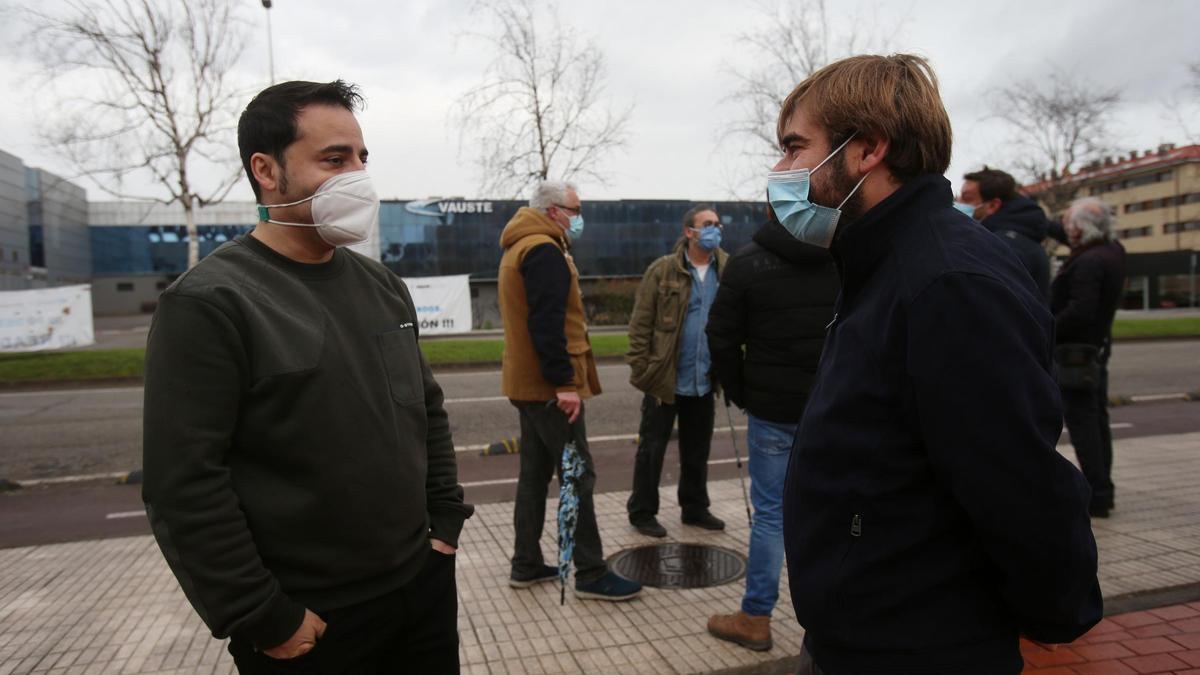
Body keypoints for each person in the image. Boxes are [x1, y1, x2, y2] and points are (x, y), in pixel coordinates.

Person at [773, 55, 1102, 673]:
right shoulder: (882, 261)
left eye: (795, 148)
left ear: (868, 148)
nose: (781, 170)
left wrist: (1055, 609)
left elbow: (1018, 484)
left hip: (916, 648)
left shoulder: (948, 282)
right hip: (865, 635)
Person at [142, 80, 474, 674]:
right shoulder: (211, 302)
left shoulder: (382, 286)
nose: (358, 176)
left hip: (421, 588)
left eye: (361, 157)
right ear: (267, 170)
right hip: (311, 624)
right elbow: (184, 484)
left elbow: (425, 409)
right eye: (334, 159)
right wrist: (260, 615)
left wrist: (444, 523)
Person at [498, 180, 642, 601]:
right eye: (574, 209)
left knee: (534, 475)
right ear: (552, 210)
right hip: (548, 387)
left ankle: (525, 563)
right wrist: (564, 383)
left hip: (526, 383)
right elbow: (547, 324)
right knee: (578, 474)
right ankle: (592, 572)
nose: (579, 217)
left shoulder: (521, 245)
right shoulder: (543, 250)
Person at [704, 212, 839, 651]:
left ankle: (756, 617)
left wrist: (744, 392)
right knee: (832, 512)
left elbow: (721, 336)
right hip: (830, 407)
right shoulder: (844, 256)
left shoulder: (747, 262)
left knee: (771, 516)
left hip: (773, 411)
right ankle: (835, 617)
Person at [625, 205, 729, 537]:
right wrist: (644, 371)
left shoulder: (726, 269)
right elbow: (640, 325)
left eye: (717, 224)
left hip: (704, 379)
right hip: (665, 380)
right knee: (651, 450)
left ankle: (695, 508)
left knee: (697, 450)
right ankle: (642, 512)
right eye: (707, 224)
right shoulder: (663, 270)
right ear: (689, 232)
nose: (715, 229)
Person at [1052, 197, 1126, 518]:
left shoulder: (1089, 261)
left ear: (1081, 229)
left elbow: (1080, 311)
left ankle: (1096, 494)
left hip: (1075, 354)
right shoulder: (1112, 251)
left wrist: (1043, 324)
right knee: (1097, 420)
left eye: (1069, 223)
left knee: (1083, 424)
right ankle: (1103, 489)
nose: (1066, 228)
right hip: (1094, 350)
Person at [960, 166, 1053, 299]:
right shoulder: (1020, 237)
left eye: (967, 198)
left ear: (993, 205)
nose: (958, 203)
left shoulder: (999, 246)